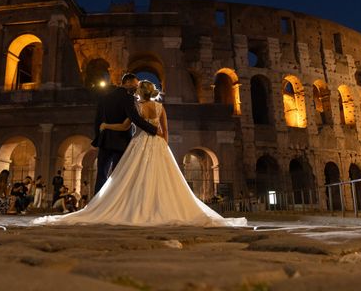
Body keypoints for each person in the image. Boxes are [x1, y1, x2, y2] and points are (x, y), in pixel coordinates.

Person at [32, 80, 247, 227]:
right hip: (159, 144)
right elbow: (166, 131)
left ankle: (136, 207)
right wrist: (163, 146)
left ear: (140, 93)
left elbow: (127, 126)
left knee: (132, 178)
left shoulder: (139, 107)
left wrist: (107, 125)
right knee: (164, 179)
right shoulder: (161, 108)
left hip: (140, 143)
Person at [91, 73, 158, 194]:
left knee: (101, 174)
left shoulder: (104, 98)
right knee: (118, 175)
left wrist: (98, 138)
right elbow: (135, 119)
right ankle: (114, 204)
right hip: (121, 143)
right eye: (135, 84)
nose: (136, 87)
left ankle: (96, 206)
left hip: (105, 141)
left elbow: (97, 121)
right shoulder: (128, 99)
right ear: (127, 82)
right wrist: (154, 130)